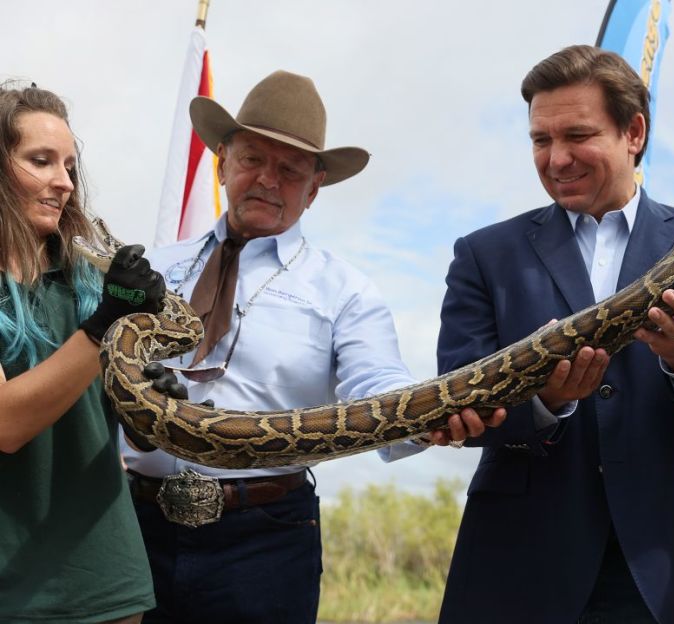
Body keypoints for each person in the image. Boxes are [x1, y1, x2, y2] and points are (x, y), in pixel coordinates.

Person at [121, 70, 502, 623]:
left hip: (265, 542)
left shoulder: (344, 289)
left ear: (314, 188)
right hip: (133, 528)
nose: (267, 180)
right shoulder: (154, 269)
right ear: (223, 160)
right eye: (253, 159)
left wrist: (426, 416)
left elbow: (377, 383)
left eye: (290, 170)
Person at [435, 45, 674, 624]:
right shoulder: (484, 255)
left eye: (577, 135)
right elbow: (453, 404)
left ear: (633, 132)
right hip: (522, 564)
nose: (557, 158)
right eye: (541, 140)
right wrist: (546, 401)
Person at [0, 83, 164, 623]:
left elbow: (111, 427)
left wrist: (149, 401)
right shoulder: (102, 310)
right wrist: (102, 329)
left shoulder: (90, 285)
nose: (64, 183)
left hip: (105, 578)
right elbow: (6, 423)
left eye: (69, 165)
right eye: (40, 161)